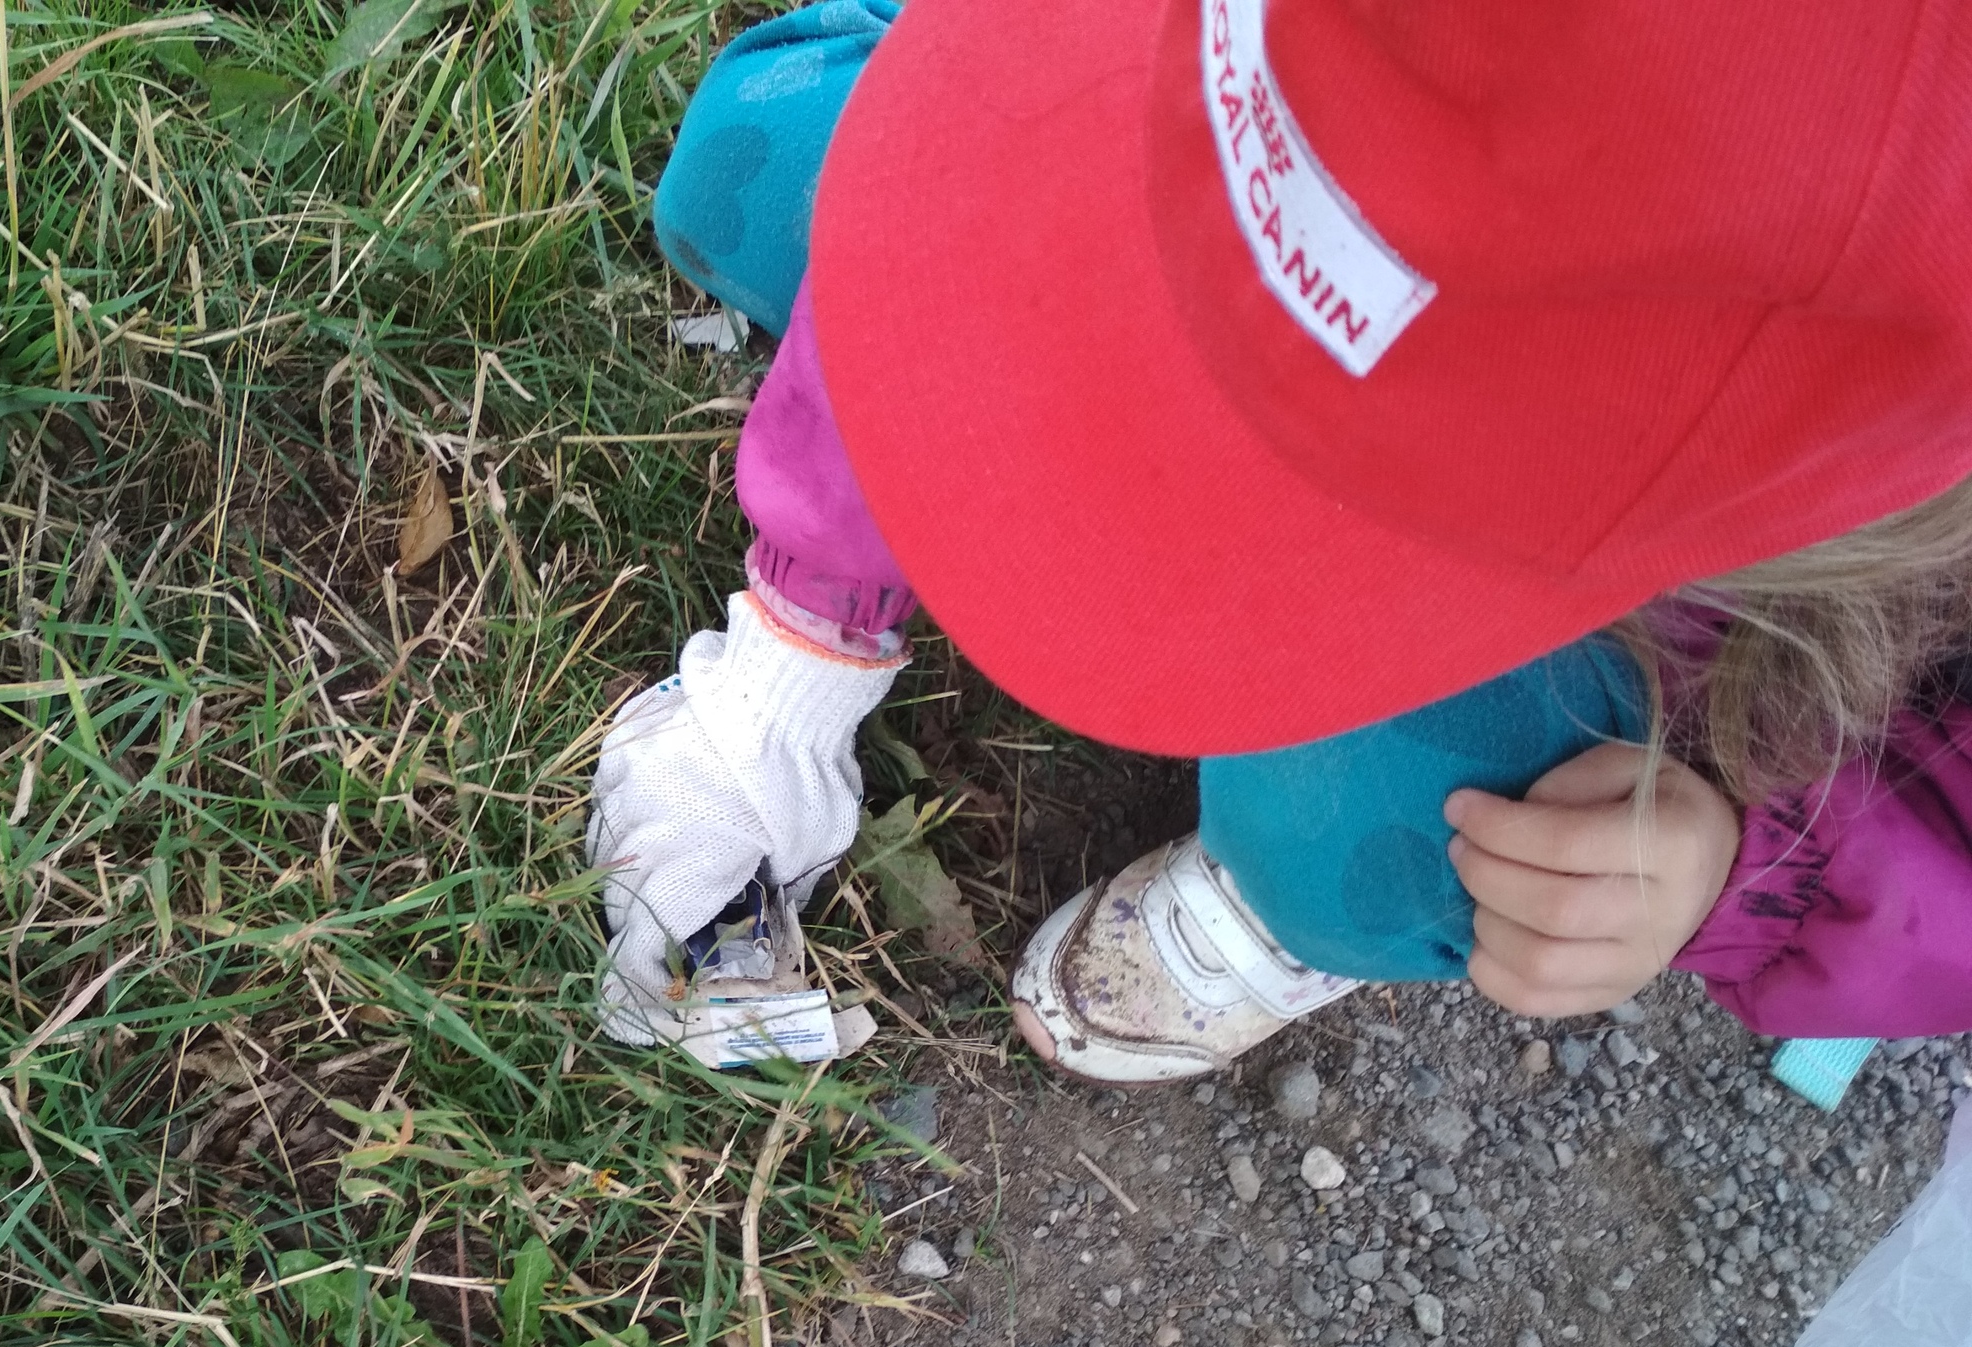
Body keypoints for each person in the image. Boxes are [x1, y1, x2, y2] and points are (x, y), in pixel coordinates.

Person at [586, 0, 1972, 1080]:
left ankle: (1289, 898)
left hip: (1704, 627)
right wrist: (794, 656)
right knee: (753, 170)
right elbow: (972, 185)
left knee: (1376, 843)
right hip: (1223, 102)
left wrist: (1749, 867)